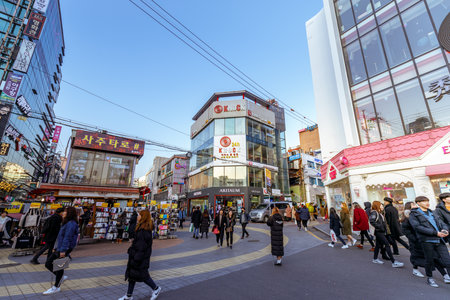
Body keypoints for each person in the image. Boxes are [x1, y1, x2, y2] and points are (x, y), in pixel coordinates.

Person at [401, 201, 450, 281]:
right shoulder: (408, 217)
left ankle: (444, 275)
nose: (415, 206)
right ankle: (416, 269)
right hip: (416, 242)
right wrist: (415, 239)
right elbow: (407, 230)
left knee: (434, 258)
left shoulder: (420, 214)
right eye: (413, 205)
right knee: (418, 257)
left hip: (425, 239)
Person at [119, 210, 161, 300]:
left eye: (139, 215)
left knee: (143, 276)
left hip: (139, 258)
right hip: (137, 256)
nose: (137, 217)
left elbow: (141, 247)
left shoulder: (143, 230)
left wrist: (136, 258)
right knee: (132, 276)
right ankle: (129, 295)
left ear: (143, 217)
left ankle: (156, 288)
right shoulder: (142, 228)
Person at [43, 207, 79, 295]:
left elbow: (67, 237)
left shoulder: (71, 223)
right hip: (61, 247)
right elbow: (61, 237)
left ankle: (56, 287)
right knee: (49, 264)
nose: (63, 213)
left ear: (69, 213)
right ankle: (60, 278)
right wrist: (56, 247)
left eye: (65, 211)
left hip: (64, 248)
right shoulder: (67, 222)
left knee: (58, 266)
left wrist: (63, 250)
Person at [369, 201, 404, 268]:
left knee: (377, 246)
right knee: (387, 244)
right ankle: (393, 262)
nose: (382, 207)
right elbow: (372, 221)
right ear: (377, 206)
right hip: (379, 232)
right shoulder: (374, 212)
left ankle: (375, 259)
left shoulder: (379, 213)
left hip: (381, 231)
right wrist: (381, 227)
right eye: (381, 205)